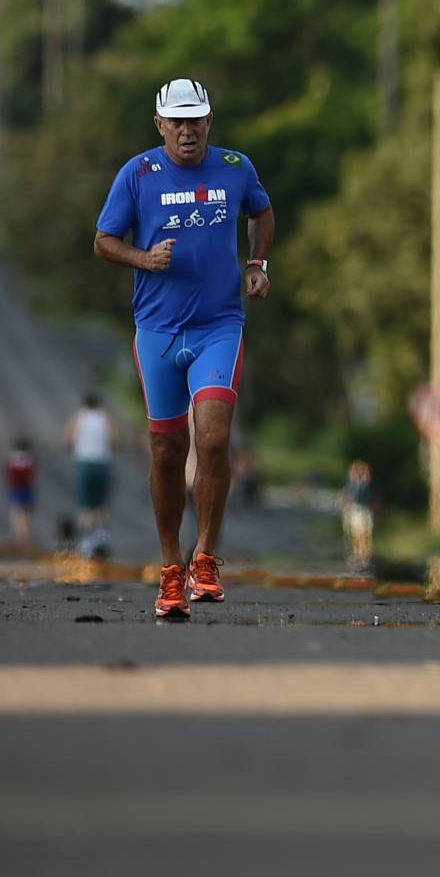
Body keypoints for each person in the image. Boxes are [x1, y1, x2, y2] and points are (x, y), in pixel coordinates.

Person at [92, 77, 275, 620]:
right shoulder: (138, 174)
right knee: (168, 450)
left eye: (196, 119)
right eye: (178, 120)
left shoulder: (236, 168)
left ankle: (207, 556)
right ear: (161, 126)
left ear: (209, 121)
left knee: (214, 438)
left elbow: (261, 212)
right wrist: (143, 259)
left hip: (219, 324)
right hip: (158, 331)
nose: (188, 130)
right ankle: (171, 566)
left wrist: (257, 264)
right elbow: (103, 241)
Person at [63, 392, 120, 542]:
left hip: (84, 462)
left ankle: (85, 540)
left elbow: (68, 438)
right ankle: (100, 538)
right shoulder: (105, 418)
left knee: (85, 504)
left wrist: (71, 448)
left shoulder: (79, 417)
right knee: (101, 504)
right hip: (102, 462)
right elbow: (114, 439)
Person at [339, 460, 375, 572]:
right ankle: (357, 555)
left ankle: (364, 556)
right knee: (357, 535)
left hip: (365, 510)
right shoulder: (351, 484)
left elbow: (372, 499)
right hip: (355, 511)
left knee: (366, 535)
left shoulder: (367, 484)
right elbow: (345, 497)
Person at [5, 437, 37, 547]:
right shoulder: (29, 459)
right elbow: (32, 475)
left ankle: (18, 536)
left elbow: (8, 474)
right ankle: (26, 537)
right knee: (26, 513)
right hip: (26, 488)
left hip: (15, 488)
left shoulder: (12, 459)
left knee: (15, 512)